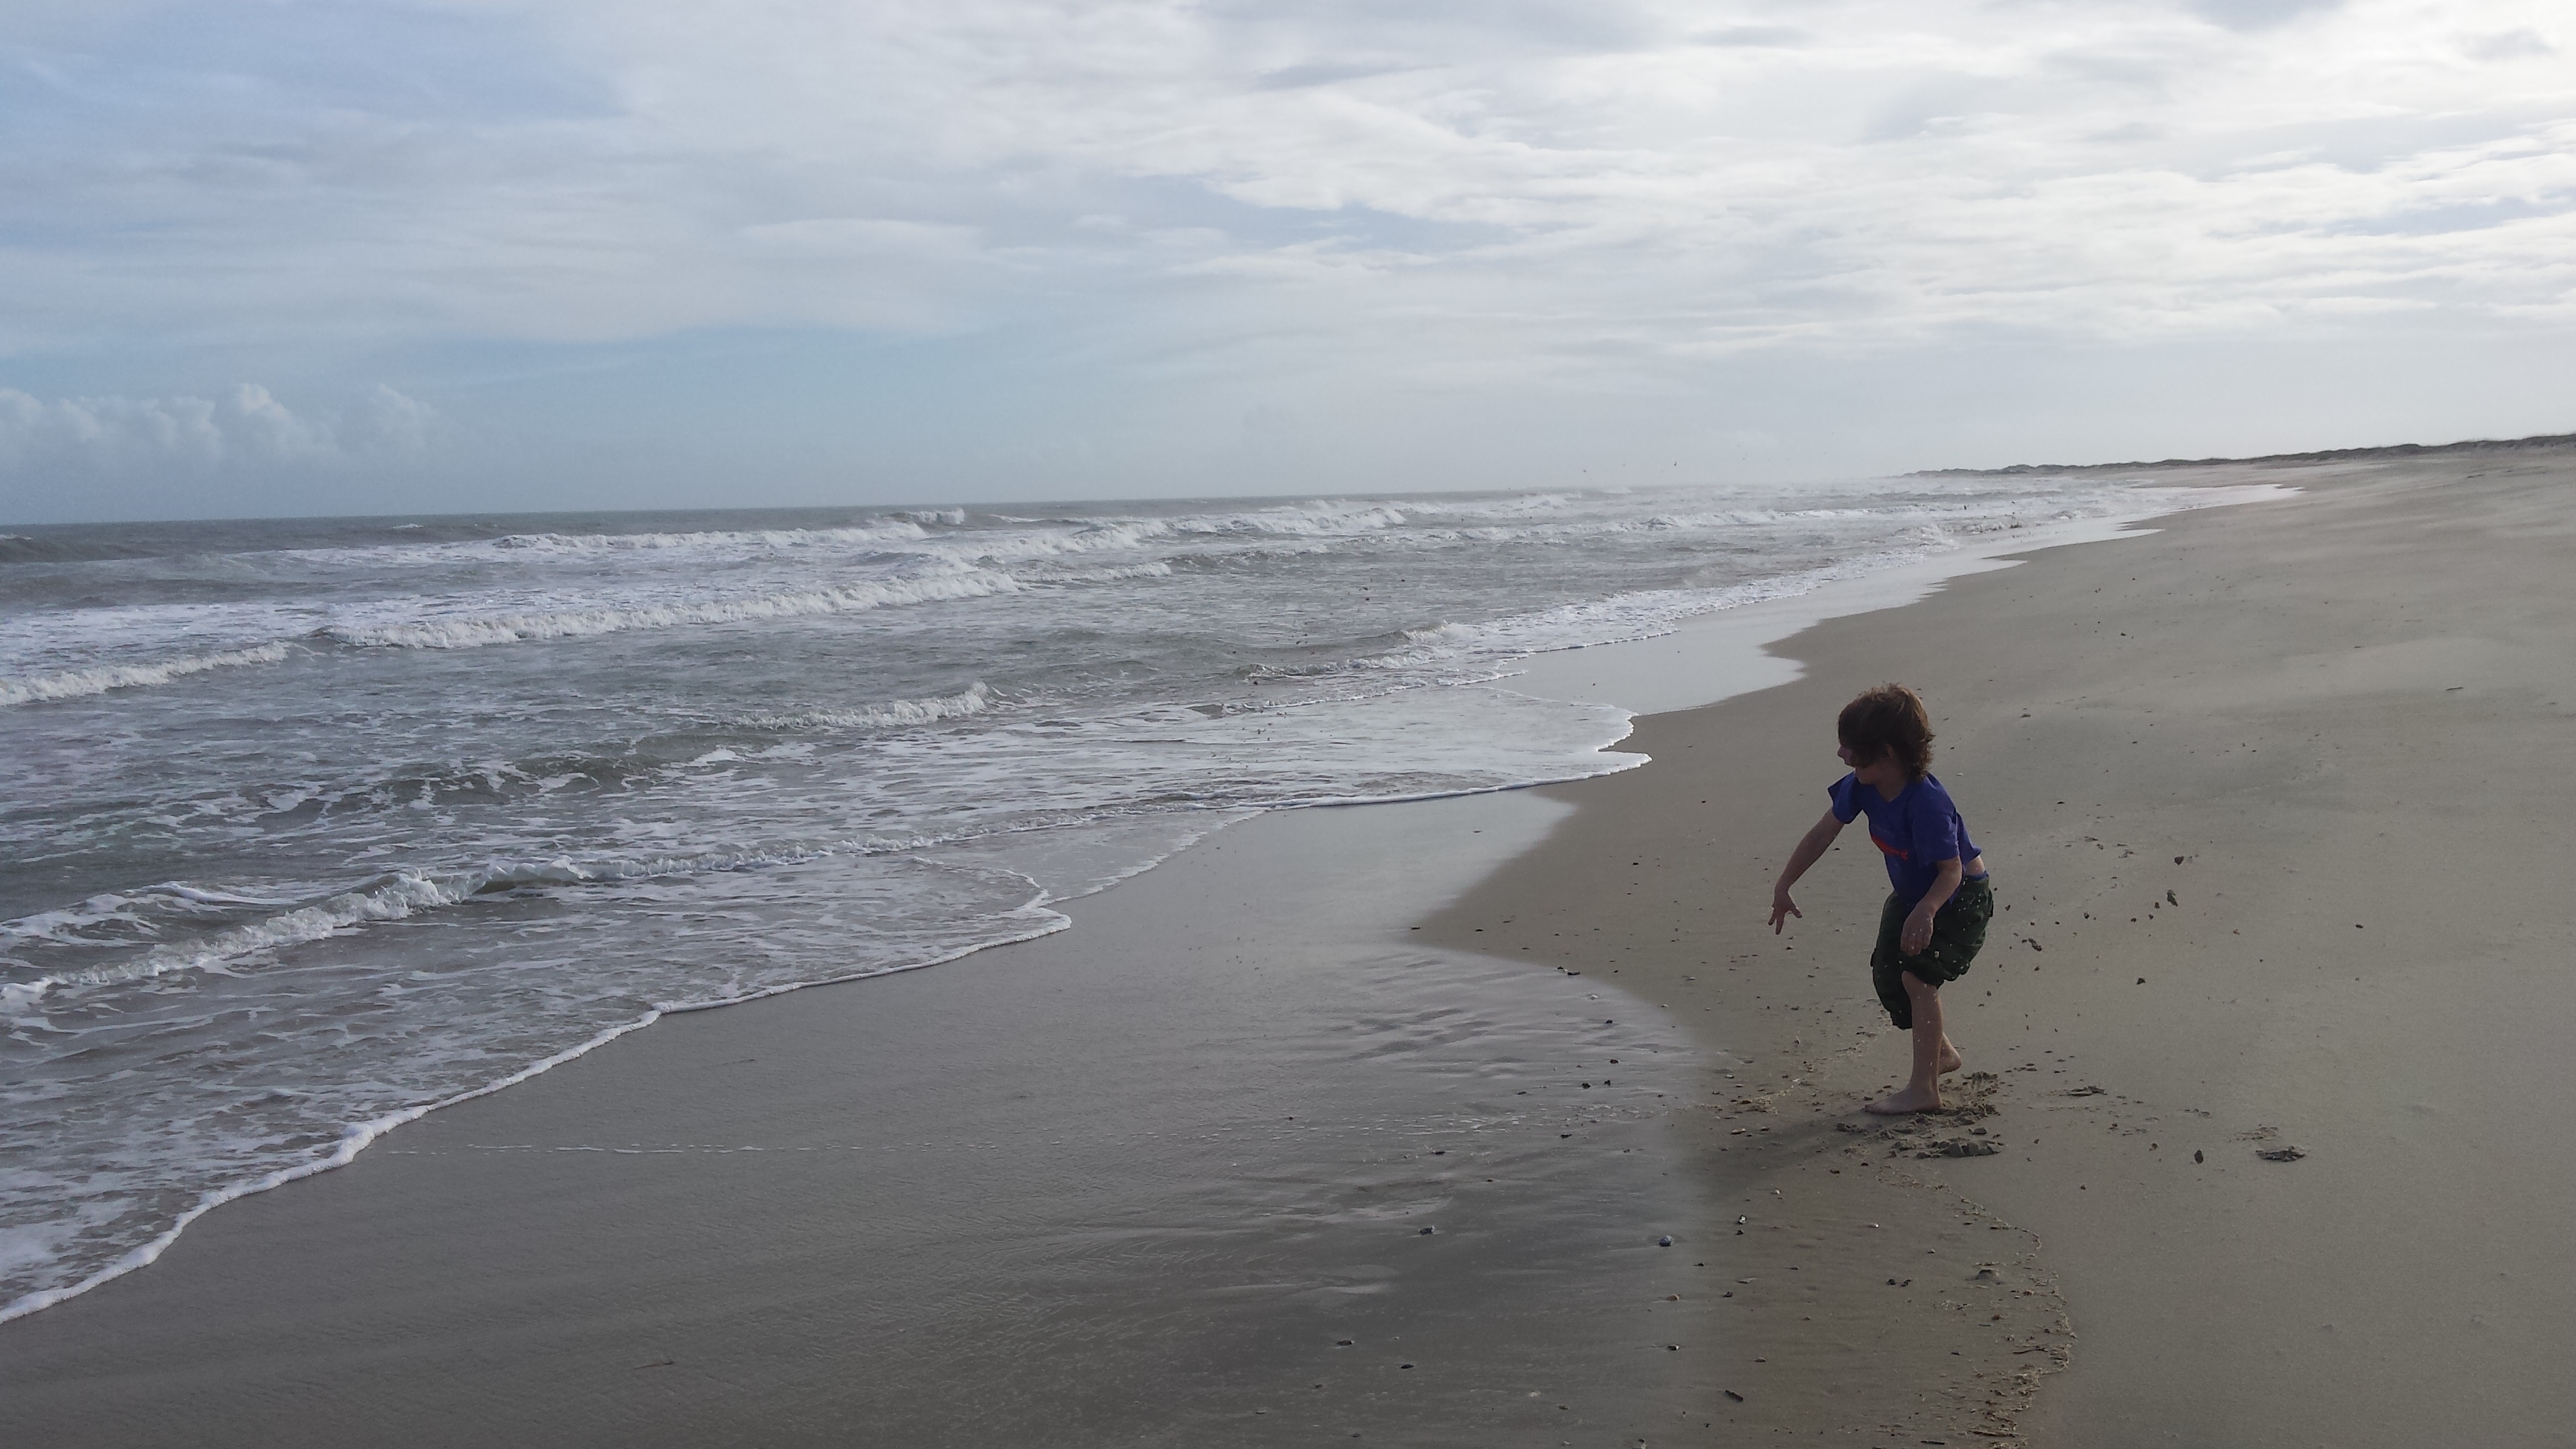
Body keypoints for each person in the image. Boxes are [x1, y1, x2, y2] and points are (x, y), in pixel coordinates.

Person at [1767, 684, 1993, 1115]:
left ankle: (1924, 1090)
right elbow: (1823, 833)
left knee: (1918, 979)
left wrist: (1927, 910)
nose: (1841, 754)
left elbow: (1952, 871)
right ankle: (1941, 1053)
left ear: (1886, 753)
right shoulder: (1863, 786)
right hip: (1911, 897)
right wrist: (1784, 884)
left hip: (1958, 898)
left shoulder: (1927, 803)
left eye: (1852, 748)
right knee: (1889, 977)